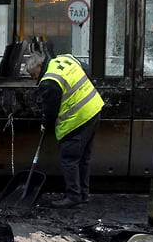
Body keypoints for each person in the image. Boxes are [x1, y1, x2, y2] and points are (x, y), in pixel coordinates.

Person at [26, 49, 105, 209]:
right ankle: (83, 194)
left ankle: (74, 197)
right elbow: (87, 69)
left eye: (33, 74)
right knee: (83, 158)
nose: (34, 78)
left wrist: (45, 125)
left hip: (78, 118)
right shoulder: (64, 59)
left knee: (69, 159)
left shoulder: (49, 81)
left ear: (40, 65)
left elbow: (50, 111)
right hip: (94, 109)